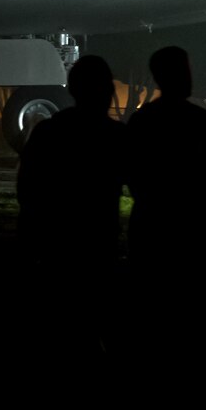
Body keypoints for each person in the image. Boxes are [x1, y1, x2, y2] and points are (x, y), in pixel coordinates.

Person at [17, 54, 129, 275]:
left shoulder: (48, 132)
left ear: (73, 90)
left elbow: (27, 189)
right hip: (100, 242)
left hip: (57, 242)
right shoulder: (117, 137)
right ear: (108, 91)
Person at [125, 46, 206, 272]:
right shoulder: (201, 121)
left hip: (150, 226)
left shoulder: (141, 122)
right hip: (193, 229)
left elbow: (132, 173)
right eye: (184, 70)